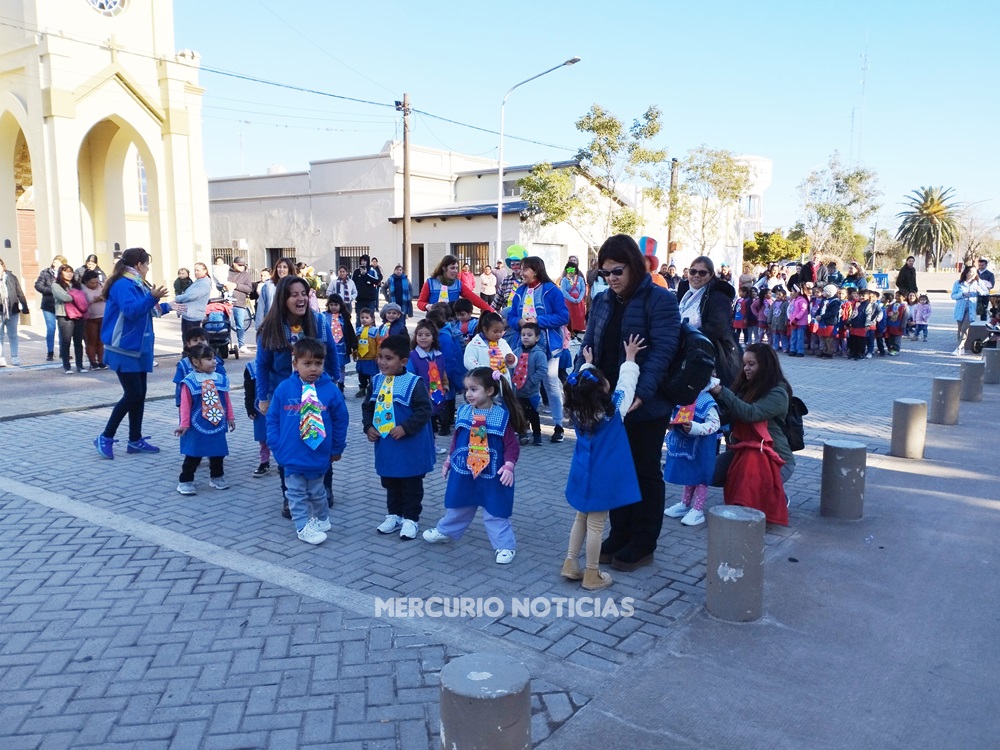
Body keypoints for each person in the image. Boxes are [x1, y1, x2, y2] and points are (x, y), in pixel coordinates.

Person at [580, 234, 681, 572]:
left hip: (646, 405)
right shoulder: (604, 299)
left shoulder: (660, 299)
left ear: (635, 265)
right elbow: (591, 343)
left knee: (644, 471)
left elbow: (663, 352)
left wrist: (642, 393)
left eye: (617, 271)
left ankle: (643, 540)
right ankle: (620, 531)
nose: (612, 278)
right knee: (615, 470)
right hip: (610, 404)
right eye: (606, 272)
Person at [560, 336, 644, 590]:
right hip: (603, 476)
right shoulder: (613, 409)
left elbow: (584, 385)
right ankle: (592, 574)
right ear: (602, 390)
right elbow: (627, 385)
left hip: (583, 471)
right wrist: (630, 359)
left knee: (580, 518)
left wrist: (587, 365)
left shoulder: (577, 408)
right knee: (597, 524)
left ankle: (571, 563)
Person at [254, 275, 341, 515]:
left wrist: (333, 382)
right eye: (294, 294)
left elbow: (332, 352)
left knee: (320, 439)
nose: (300, 298)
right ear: (283, 298)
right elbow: (261, 366)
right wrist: (263, 397)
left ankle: (324, 487)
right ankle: (289, 494)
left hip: (316, 393)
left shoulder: (319, 322)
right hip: (285, 397)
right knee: (288, 445)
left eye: (304, 293)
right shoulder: (269, 328)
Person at [422, 368, 527, 565]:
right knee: (459, 505)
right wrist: (448, 461)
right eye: (466, 389)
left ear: (489, 391)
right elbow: (457, 439)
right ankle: (446, 531)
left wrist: (509, 466)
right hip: (464, 472)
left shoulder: (501, 416)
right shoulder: (463, 411)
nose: (468, 394)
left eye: (473, 389)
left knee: (495, 511)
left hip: (493, 475)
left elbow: (512, 445)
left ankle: (504, 546)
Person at [266, 337, 348, 545]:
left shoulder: (330, 390)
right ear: (295, 364)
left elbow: (341, 420)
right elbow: (273, 418)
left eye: (318, 364)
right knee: (295, 493)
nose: (313, 369)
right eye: (307, 363)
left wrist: (337, 447)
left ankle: (322, 520)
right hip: (291, 454)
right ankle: (303, 526)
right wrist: (275, 444)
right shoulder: (284, 389)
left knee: (317, 491)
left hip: (318, 454)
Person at [94, 247, 172, 459]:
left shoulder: (137, 283)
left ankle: (135, 440)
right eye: (147, 264)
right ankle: (105, 436)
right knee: (133, 394)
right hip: (123, 348)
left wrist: (170, 306)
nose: (148, 268)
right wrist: (151, 298)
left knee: (139, 395)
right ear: (139, 265)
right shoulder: (123, 285)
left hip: (137, 347)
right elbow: (132, 311)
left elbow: (147, 309)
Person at [709, 344, 794, 525]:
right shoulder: (745, 384)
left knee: (748, 487)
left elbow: (750, 414)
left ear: (765, 365)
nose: (746, 368)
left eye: (751, 364)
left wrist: (723, 392)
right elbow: (729, 411)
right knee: (709, 473)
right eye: (744, 364)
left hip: (774, 458)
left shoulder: (778, 392)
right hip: (743, 450)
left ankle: (774, 494)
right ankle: (764, 492)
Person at [362, 333, 435, 540]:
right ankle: (394, 515)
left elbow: (424, 410)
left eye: (388, 358)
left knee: (411, 483)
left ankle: (411, 518)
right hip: (387, 445)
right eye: (380, 357)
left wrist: (406, 427)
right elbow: (368, 406)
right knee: (391, 481)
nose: (382, 362)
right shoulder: (376, 381)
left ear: (403, 361)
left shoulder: (414, 383)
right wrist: (368, 427)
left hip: (410, 445)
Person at [506, 256, 571, 442]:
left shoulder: (552, 290)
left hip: (549, 345)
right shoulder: (520, 291)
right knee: (522, 383)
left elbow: (563, 316)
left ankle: (558, 425)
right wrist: (517, 322)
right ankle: (524, 424)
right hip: (524, 345)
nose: (521, 272)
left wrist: (539, 321)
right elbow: (511, 316)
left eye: (524, 269)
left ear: (535, 270)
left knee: (550, 380)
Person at [173, 342, 236, 495]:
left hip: (217, 424)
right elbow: (185, 405)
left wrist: (230, 417)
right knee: (194, 454)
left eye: (214, 358)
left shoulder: (220, 379)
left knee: (218, 452)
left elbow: (225, 400)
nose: (214, 362)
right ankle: (185, 481)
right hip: (196, 426)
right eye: (208, 359)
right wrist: (184, 424)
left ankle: (217, 477)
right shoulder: (189, 382)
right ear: (195, 362)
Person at [662, 378, 721, 527]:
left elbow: (715, 423)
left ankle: (698, 509)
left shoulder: (706, 401)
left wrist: (696, 427)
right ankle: (685, 503)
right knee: (689, 474)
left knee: (701, 477)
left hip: (702, 447)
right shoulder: (685, 397)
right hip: (689, 445)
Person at [676, 255, 742, 387]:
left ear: (711, 275)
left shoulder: (718, 297)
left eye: (702, 273)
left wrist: (688, 338)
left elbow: (717, 327)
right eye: (693, 271)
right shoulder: (685, 293)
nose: (696, 276)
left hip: (713, 355)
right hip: (688, 352)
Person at [407, 319, 450, 440]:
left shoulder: (438, 355)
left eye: (427, 335)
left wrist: (445, 387)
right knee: (425, 421)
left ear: (434, 338)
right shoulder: (413, 356)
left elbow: (443, 373)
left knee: (434, 420)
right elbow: (410, 376)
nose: (423, 338)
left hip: (438, 394)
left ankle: (432, 443)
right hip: (421, 396)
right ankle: (427, 444)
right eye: (419, 335)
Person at [511, 321, 548, 446]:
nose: (525, 337)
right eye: (523, 335)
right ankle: (522, 433)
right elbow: (511, 366)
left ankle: (537, 435)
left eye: (529, 335)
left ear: (537, 338)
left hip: (531, 391)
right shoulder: (516, 352)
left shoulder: (539, 354)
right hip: (517, 391)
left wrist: (531, 382)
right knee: (519, 414)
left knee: (533, 414)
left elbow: (542, 370)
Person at [417, 254, 492, 313]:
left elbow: (474, 298)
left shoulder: (458, 284)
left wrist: (491, 310)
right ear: (444, 268)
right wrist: (427, 306)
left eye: (456, 268)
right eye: (452, 268)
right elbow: (420, 302)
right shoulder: (430, 282)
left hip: (452, 323)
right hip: (434, 323)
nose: (455, 271)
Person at [50, 263, 88, 374]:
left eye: (71, 271)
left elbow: (83, 296)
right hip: (64, 316)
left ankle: (80, 366)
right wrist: (76, 296)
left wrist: (75, 296)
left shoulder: (76, 284)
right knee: (66, 341)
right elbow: (64, 297)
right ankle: (67, 366)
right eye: (66, 271)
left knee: (78, 342)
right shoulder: (56, 285)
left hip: (78, 315)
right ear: (61, 273)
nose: (69, 273)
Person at [464, 310, 516, 383]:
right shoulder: (475, 344)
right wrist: (484, 371)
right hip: (483, 381)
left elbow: (510, 358)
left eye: (501, 331)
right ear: (485, 329)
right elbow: (468, 361)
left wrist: (511, 359)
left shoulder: (502, 343)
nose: (498, 334)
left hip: (502, 381)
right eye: (495, 332)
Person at [951, 264, 991, 355]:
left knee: (965, 328)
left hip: (971, 309)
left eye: (974, 272)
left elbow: (986, 293)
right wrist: (962, 294)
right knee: (960, 329)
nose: (972, 274)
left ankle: (959, 347)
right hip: (960, 308)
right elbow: (953, 296)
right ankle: (961, 347)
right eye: (970, 271)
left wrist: (980, 290)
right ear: (966, 272)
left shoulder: (978, 282)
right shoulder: (958, 283)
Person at [34, 254, 68, 362]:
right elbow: (38, 285)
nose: (55, 264)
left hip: (61, 305)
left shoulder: (65, 273)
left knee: (63, 329)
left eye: (58, 262)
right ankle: (50, 352)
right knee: (51, 328)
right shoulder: (45, 272)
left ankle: (63, 352)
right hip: (48, 305)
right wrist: (52, 290)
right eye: (54, 261)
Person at [322, 294, 358, 393]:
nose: (333, 307)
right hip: (328, 347)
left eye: (336, 305)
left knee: (341, 367)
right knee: (327, 365)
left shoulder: (344, 317)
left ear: (340, 305)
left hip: (341, 347)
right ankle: (329, 384)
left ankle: (340, 385)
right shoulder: (324, 316)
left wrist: (354, 346)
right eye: (331, 304)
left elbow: (350, 332)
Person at [243, 359, 271, 478]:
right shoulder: (251, 367)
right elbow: (248, 390)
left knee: (282, 435)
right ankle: (264, 461)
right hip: (260, 407)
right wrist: (250, 408)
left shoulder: (284, 363)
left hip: (280, 405)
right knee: (263, 436)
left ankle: (283, 462)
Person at [0, 257, 28, 367]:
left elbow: (19, 292)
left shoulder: (11, 277)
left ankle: (15, 356)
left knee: (13, 335)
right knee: (0, 336)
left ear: (3, 266)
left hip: (12, 309)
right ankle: (1, 358)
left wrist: (24, 306)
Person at [173, 262, 213, 338]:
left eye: (198, 270)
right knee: (187, 341)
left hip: (194, 317)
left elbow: (190, 296)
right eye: (195, 270)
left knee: (192, 342)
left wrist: (177, 298)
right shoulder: (198, 281)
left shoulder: (204, 283)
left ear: (205, 271)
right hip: (188, 315)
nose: (196, 272)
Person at [222, 257, 253, 352]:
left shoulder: (246, 275)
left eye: (243, 265)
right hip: (227, 303)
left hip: (240, 303)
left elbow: (249, 288)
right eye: (239, 265)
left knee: (240, 325)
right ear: (234, 264)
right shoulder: (226, 273)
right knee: (225, 325)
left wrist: (236, 286)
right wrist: (225, 286)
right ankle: (225, 344)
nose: (242, 267)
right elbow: (220, 284)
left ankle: (241, 344)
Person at [255, 257, 296, 328]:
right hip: (273, 324)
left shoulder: (296, 285)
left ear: (289, 269)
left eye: (285, 267)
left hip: (291, 324)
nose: (281, 269)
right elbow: (261, 307)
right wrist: (259, 327)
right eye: (279, 267)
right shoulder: (268, 286)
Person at [80, 270, 107, 370]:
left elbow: (109, 297)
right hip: (90, 318)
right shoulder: (82, 289)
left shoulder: (102, 286)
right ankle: (93, 362)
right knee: (91, 341)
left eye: (96, 282)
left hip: (103, 316)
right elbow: (81, 304)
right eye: (92, 283)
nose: (94, 284)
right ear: (86, 282)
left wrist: (103, 297)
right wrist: (94, 300)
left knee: (101, 341)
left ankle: (101, 361)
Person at [354, 308, 379, 398]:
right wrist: (354, 352)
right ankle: (362, 388)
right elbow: (356, 343)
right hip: (361, 357)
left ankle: (372, 389)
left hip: (371, 357)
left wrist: (378, 355)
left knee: (372, 375)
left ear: (372, 319)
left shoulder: (375, 331)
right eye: (362, 317)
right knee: (362, 375)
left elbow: (378, 344)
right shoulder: (358, 330)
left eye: (367, 317)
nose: (364, 319)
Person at [494, 246, 526, 312]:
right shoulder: (506, 280)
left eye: (518, 264)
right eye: (513, 264)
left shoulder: (528, 280)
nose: (515, 267)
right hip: (507, 318)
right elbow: (497, 302)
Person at [560, 261, 588, 338]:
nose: (570, 271)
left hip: (579, 301)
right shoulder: (564, 280)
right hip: (568, 301)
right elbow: (564, 291)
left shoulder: (580, 279)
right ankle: (570, 331)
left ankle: (577, 330)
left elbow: (583, 289)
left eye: (572, 269)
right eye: (568, 270)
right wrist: (572, 299)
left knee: (579, 316)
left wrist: (579, 299)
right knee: (570, 316)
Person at [816, 284, 842, 359]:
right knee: (822, 337)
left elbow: (833, 313)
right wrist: (817, 315)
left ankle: (829, 352)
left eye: (825, 291)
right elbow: (820, 308)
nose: (823, 293)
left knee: (829, 338)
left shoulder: (835, 302)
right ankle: (823, 350)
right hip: (822, 322)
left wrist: (822, 317)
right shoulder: (824, 300)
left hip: (829, 322)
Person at [786, 285, 809, 357]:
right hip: (793, 322)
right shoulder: (793, 300)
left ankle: (800, 350)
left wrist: (796, 318)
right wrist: (789, 319)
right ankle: (793, 349)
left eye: (793, 291)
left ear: (798, 292)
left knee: (800, 337)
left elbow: (803, 310)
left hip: (800, 323)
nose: (792, 293)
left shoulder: (802, 300)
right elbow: (791, 310)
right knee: (793, 337)